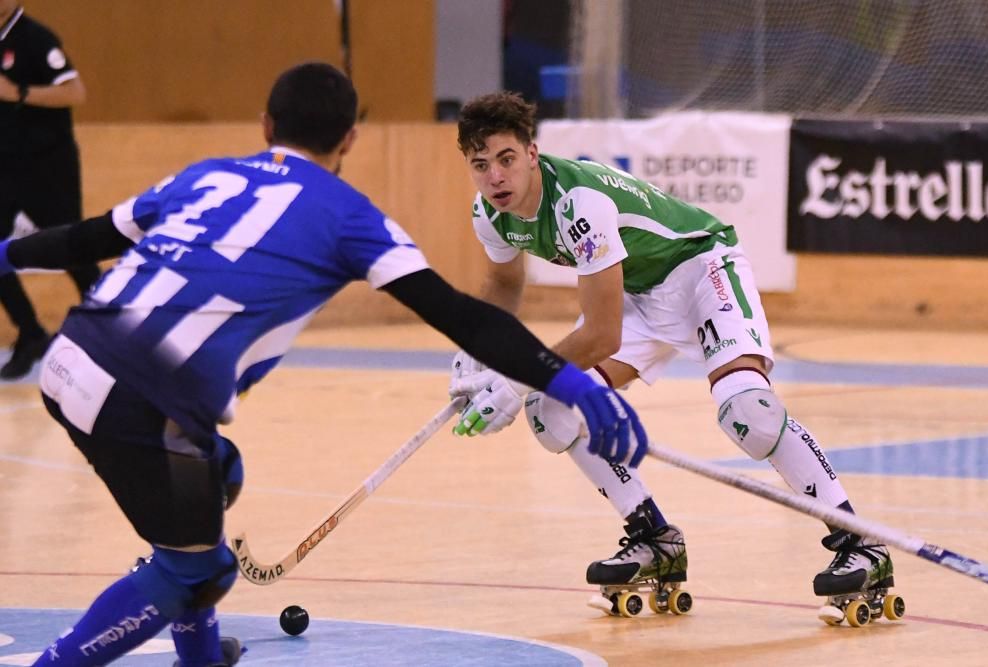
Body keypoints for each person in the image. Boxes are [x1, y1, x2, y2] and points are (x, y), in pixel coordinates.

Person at [0, 63, 648, 666]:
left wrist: (5, 254)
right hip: (141, 395)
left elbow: (86, 238)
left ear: (265, 126)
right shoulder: (352, 218)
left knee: (216, 470)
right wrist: (566, 381)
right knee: (195, 568)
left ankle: (196, 655)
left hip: (71, 354)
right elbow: (463, 315)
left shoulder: (205, 176)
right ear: (351, 139)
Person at [449, 91, 896, 617]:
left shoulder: (577, 203)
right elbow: (503, 283)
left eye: (505, 159)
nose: (496, 177)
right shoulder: (491, 214)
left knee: (747, 414)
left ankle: (860, 544)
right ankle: (654, 538)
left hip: (700, 269)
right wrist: (474, 349)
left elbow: (600, 336)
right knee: (552, 411)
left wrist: (515, 378)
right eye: (481, 165)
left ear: (531, 153)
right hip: (640, 295)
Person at [0, 1, 100, 380]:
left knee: (72, 249)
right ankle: (30, 334)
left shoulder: (37, 39)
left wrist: (18, 92)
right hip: (4, 165)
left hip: (46, 166)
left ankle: (116, 332)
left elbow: (75, 93)